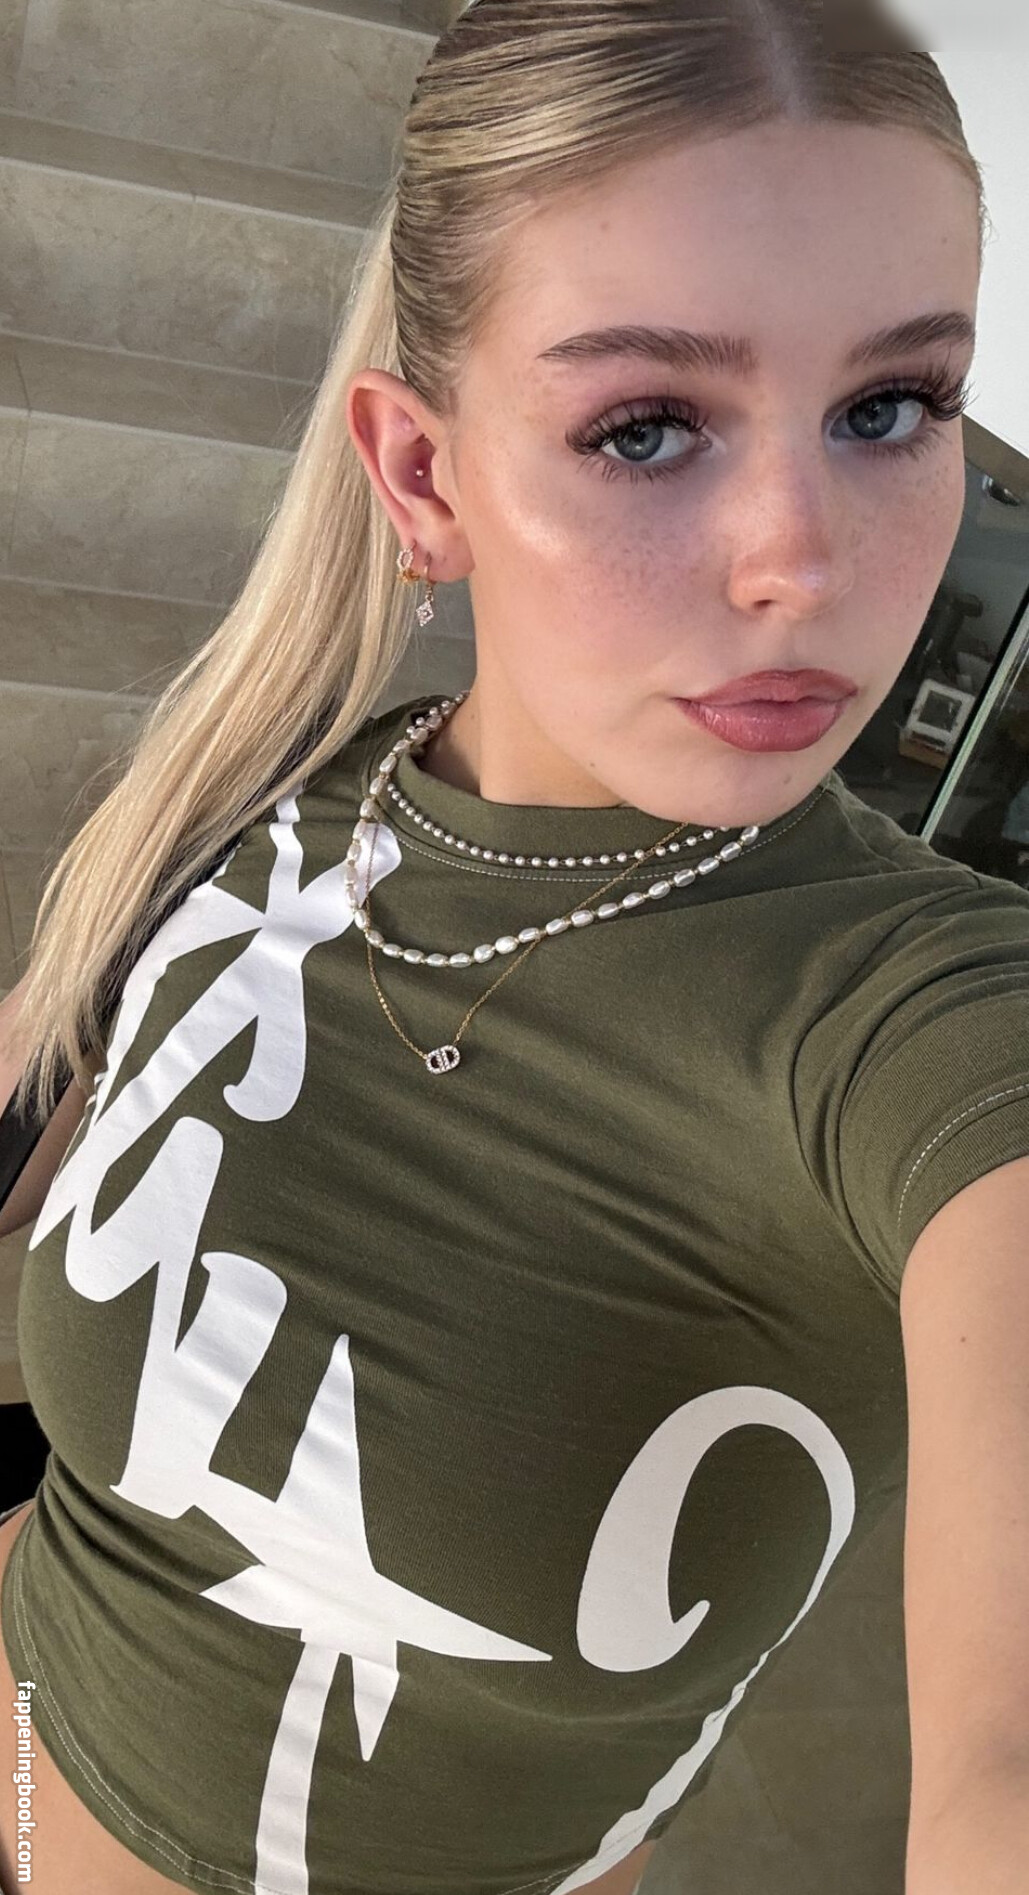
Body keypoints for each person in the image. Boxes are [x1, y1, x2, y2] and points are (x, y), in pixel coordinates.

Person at [1, 2, 1025, 1892]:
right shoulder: (270, 800)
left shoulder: (927, 1021)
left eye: (890, 407)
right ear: (421, 476)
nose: (799, 559)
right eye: (647, 428)